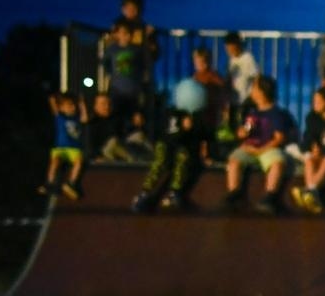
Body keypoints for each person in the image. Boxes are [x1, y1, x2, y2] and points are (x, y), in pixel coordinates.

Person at [132, 79, 208, 213]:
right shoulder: (174, 114)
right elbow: (170, 135)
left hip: (180, 149)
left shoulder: (196, 116)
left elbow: (200, 137)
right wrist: (184, 128)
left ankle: (176, 192)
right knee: (161, 163)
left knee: (189, 162)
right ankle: (145, 193)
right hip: (167, 145)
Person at [224, 75, 296, 214]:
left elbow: (279, 138)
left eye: (254, 88)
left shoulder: (276, 114)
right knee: (234, 160)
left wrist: (261, 150)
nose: (252, 91)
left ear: (262, 92)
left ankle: (270, 195)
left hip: (268, 148)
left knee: (277, 162)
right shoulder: (252, 112)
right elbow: (243, 131)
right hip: (250, 147)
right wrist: (242, 134)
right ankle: (234, 192)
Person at [101, 20, 151, 158]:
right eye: (122, 33)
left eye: (127, 33)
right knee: (116, 117)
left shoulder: (136, 49)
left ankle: (133, 147)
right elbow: (105, 65)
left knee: (134, 119)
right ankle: (113, 144)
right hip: (117, 90)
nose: (125, 36)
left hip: (133, 90)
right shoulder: (112, 49)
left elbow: (143, 67)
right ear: (117, 34)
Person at [39, 90, 86, 200]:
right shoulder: (60, 118)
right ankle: (49, 182)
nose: (72, 107)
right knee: (55, 161)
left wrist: (81, 104)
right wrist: (52, 98)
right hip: (60, 148)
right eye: (69, 105)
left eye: (73, 105)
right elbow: (54, 107)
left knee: (79, 161)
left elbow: (85, 118)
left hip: (74, 148)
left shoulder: (77, 119)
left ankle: (71, 183)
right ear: (62, 108)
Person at [223, 31, 259, 135]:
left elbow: (256, 76)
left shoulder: (247, 58)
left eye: (231, 47)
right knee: (234, 126)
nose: (229, 50)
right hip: (234, 100)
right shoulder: (231, 61)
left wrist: (253, 95)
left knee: (247, 125)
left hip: (246, 100)